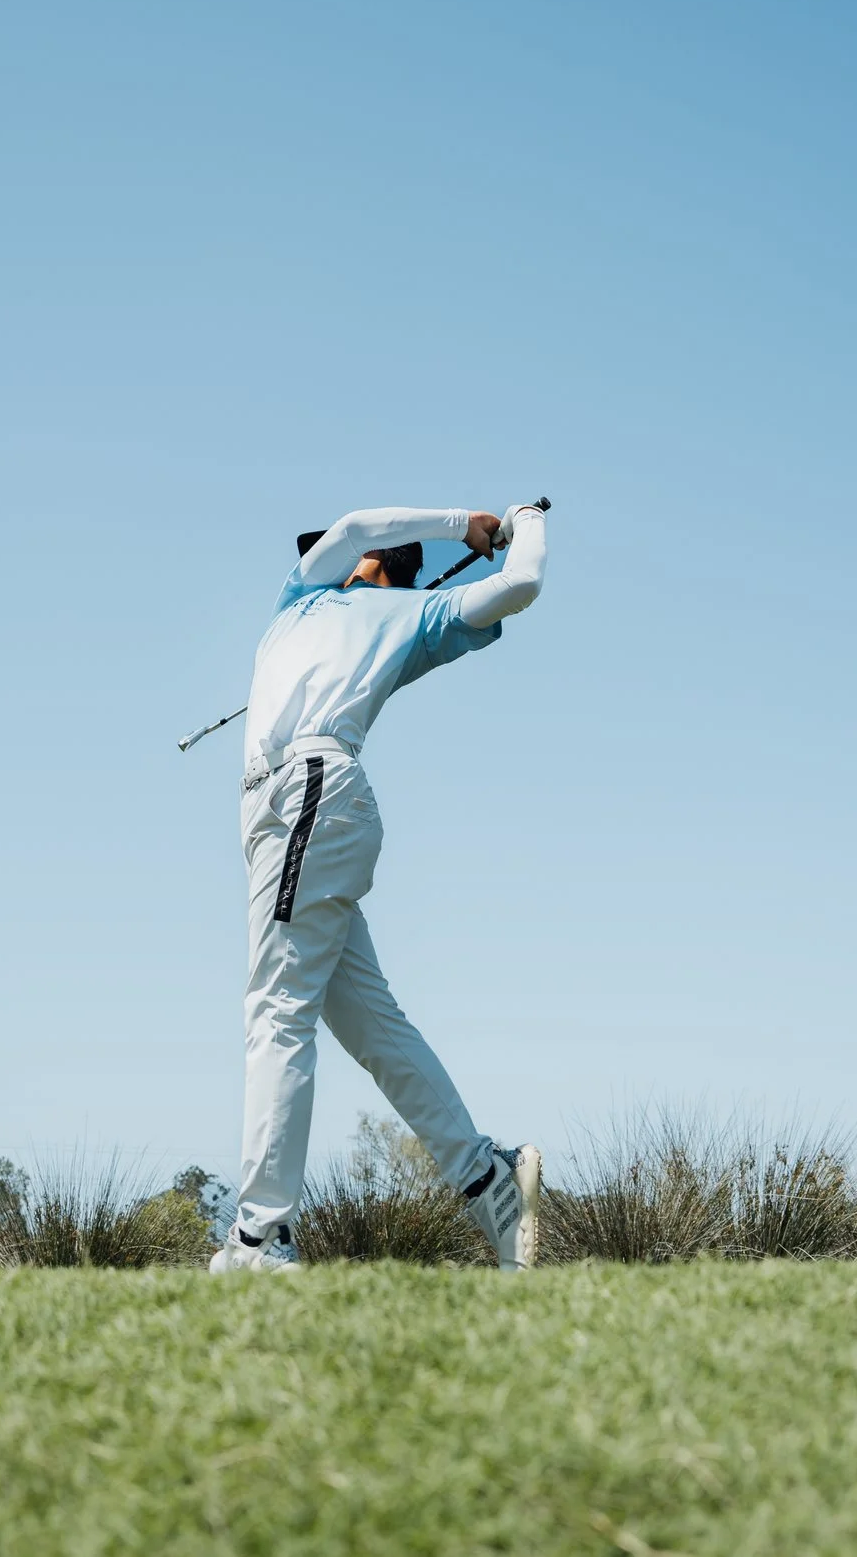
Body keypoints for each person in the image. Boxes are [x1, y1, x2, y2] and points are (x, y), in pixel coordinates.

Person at [212, 502, 549, 1274]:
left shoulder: (412, 617)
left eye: (358, 554)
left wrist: (509, 521)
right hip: (299, 814)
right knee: (372, 1026)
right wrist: (474, 528)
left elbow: (522, 580)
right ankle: (488, 1180)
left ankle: (262, 1237)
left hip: (308, 796)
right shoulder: (302, 598)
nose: (332, 553)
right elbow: (360, 527)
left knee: (276, 1010)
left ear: (378, 562)